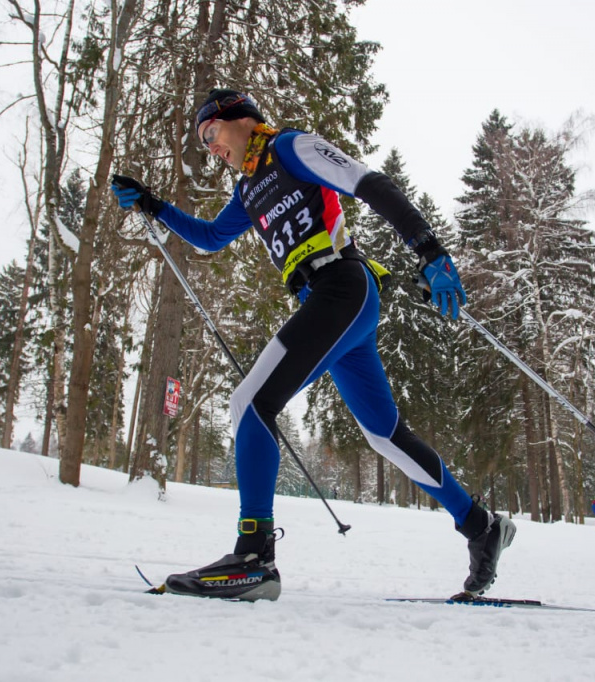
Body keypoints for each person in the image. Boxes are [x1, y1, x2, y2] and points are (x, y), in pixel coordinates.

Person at [111, 89, 516, 602]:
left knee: (251, 404)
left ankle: (253, 554)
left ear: (238, 119)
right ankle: (481, 526)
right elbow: (211, 238)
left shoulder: (290, 147)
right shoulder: (247, 190)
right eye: (204, 143)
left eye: (210, 135)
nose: (211, 149)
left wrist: (429, 250)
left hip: (341, 288)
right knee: (385, 436)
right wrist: (153, 204)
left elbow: (369, 183)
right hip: (331, 305)